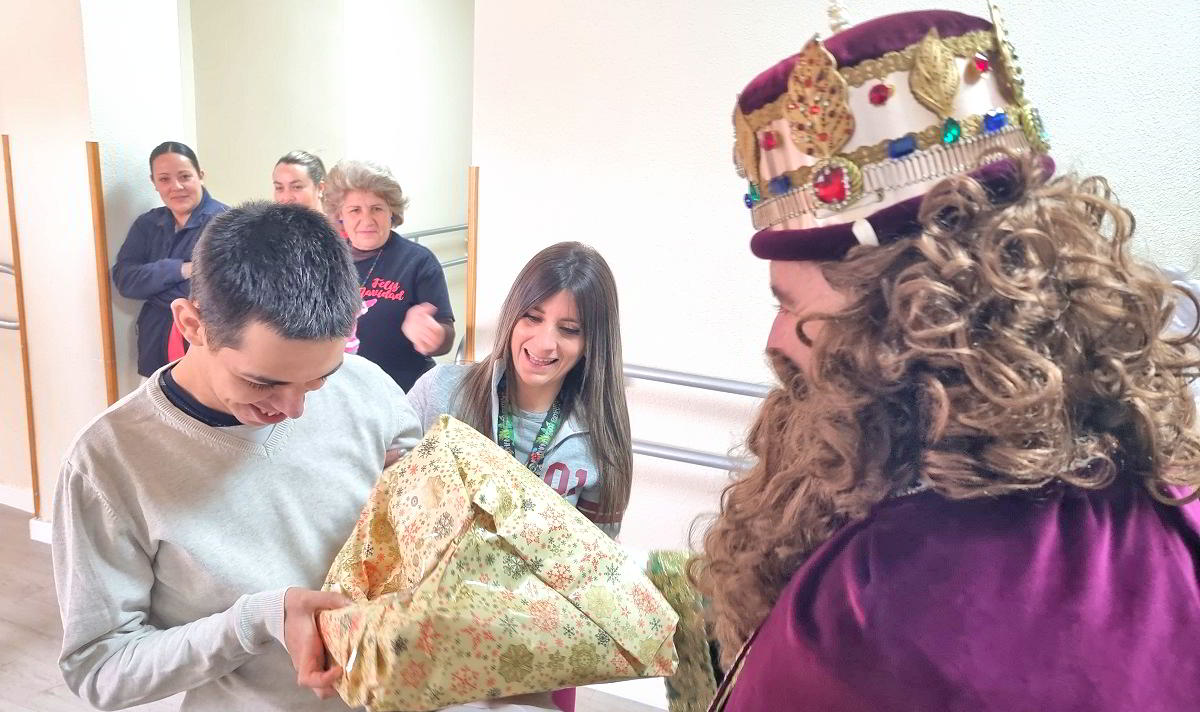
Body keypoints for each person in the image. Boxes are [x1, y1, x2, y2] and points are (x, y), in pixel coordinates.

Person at [692, 8, 1200, 711]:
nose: (776, 341)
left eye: (786, 304)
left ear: (902, 323)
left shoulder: (873, 616)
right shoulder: (1170, 506)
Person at [53, 202, 422, 711]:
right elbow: (100, 669)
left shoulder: (368, 386)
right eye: (260, 382)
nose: (293, 410)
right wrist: (253, 621)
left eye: (319, 379)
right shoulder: (109, 463)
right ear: (191, 323)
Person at [407, 242, 632, 538]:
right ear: (513, 315)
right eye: (532, 317)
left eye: (569, 329)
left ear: (592, 342)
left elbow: (596, 562)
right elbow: (387, 502)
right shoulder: (441, 392)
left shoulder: (600, 434)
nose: (543, 343)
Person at [322, 159, 455, 390]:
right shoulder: (326, 260)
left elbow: (446, 337)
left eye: (376, 208)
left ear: (391, 212)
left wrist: (434, 335)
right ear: (340, 215)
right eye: (355, 210)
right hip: (342, 392)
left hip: (404, 392)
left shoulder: (418, 261)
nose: (367, 220)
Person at [113, 141, 228, 377]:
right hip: (155, 340)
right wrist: (182, 270)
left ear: (201, 175)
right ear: (154, 183)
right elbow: (125, 280)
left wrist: (153, 283)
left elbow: (222, 288)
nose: (176, 186)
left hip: (208, 340)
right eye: (164, 179)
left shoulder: (226, 223)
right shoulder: (147, 224)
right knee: (156, 409)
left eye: (185, 176)